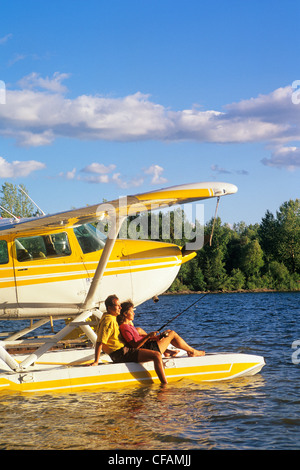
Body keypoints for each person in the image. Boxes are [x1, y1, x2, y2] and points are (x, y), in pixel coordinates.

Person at [90, 294, 168, 384]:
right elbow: (100, 342)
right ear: (109, 307)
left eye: (120, 305)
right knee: (157, 355)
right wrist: (96, 361)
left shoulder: (109, 316)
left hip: (122, 350)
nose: (120, 307)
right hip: (120, 353)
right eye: (117, 306)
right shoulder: (109, 321)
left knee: (145, 345)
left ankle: (166, 351)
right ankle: (164, 385)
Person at [118, 300, 205, 358]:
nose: (134, 313)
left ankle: (167, 351)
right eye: (131, 311)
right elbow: (135, 345)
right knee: (172, 333)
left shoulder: (129, 325)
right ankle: (193, 351)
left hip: (149, 345)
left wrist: (157, 337)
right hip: (150, 349)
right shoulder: (125, 327)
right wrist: (148, 336)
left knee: (167, 332)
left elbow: (139, 339)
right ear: (125, 314)